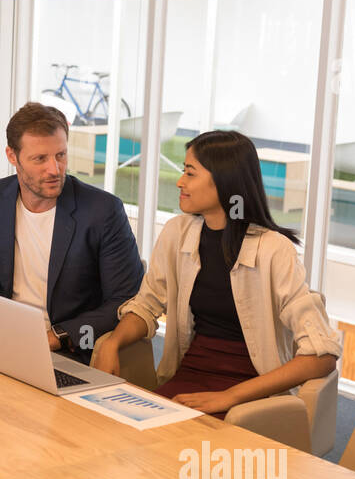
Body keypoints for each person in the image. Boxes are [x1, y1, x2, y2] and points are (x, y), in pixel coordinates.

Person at [93, 129, 341, 415]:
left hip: (252, 395)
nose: (179, 181)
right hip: (189, 378)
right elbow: (146, 304)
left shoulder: (275, 250)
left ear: (224, 180)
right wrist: (112, 343)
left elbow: (322, 355)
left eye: (190, 173)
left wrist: (230, 396)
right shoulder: (177, 232)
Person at [0, 102, 144, 362]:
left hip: (68, 350)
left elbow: (126, 300)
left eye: (60, 155)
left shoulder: (103, 211)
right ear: (12, 156)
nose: (54, 169)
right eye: (40, 159)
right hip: (1, 335)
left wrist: (59, 336)